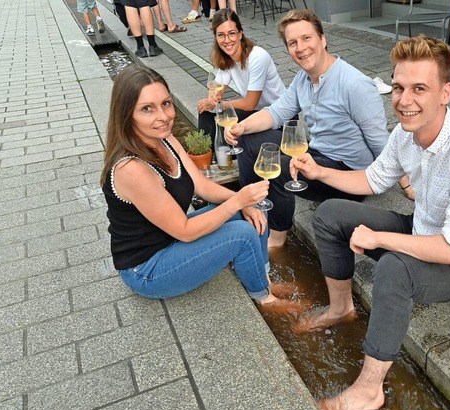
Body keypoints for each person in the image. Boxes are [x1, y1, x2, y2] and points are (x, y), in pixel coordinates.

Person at [289, 35, 450, 410]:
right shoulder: (404, 133)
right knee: (331, 213)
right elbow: (372, 179)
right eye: (399, 87)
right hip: (423, 228)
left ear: (445, 93)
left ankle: (369, 390)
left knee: (394, 270)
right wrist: (318, 172)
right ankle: (341, 308)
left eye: (420, 88)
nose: (405, 100)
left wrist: (379, 239)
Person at [101, 65, 283, 306]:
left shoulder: (164, 138)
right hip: (148, 268)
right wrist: (237, 202)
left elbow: (202, 186)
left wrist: (243, 201)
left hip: (170, 240)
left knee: (255, 206)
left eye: (166, 104)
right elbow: (184, 230)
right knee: (242, 234)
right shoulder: (131, 169)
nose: (163, 116)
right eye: (147, 109)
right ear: (126, 115)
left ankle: (264, 276)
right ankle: (265, 298)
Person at [225, 9, 389, 249]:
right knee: (248, 140)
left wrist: (401, 180)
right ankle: (250, 205)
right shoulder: (303, 78)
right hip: (317, 155)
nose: (300, 48)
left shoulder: (355, 84)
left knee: (281, 169)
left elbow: (379, 141)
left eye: (306, 38)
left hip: (346, 174)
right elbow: (277, 112)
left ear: (322, 39)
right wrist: (242, 126)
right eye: (292, 43)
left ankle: (277, 239)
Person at [197, 9, 285, 150]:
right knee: (206, 111)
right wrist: (211, 99)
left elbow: (250, 103)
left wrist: (222, 104)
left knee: (229, 122)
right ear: (216, 37)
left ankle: (225, 156)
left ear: (240, 33)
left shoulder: (257, 57)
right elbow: (217, 87)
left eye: (231, 33)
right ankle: (207, 155)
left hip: (277, 117)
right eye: (221, 35)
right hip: (256, 112)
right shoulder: (228, 58)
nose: (227, 40)